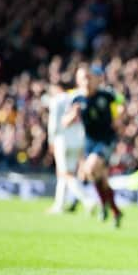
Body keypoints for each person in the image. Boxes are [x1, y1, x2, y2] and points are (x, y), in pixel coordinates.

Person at [63, 64, 125, 228]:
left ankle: (104, 204)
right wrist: (73, 115)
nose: (87, 81)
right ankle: (114, 210)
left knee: (89, 169)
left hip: (106, 140)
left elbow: (120, 105)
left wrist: (119, 116)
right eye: (84, 78)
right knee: (100, 179)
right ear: (78, 81)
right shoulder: (77, 100)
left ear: (97, 79)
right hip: (89, 142)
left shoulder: (106, 95)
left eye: (90, 77)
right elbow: (65, 123)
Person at [44, 82, 95, 214]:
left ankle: (87, 200)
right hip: (78, 139)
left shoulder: (57, 100)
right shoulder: (75, 98)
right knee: (66, 173)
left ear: (58, 88)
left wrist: (51, 140)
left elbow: (54, 123)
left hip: (62, 139)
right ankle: (59, 205)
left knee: (65, 174)